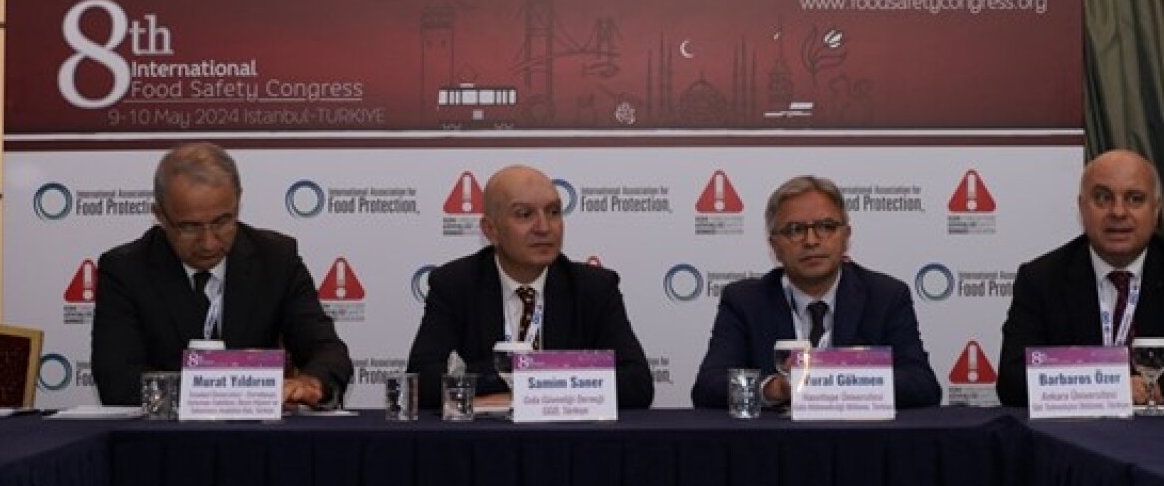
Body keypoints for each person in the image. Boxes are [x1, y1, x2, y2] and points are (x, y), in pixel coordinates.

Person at [91, 142, 352, 407]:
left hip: (257, 431)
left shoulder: (276, 259)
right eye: (190, 227)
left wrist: (312, 383)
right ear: (160, 215)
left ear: (237, 203)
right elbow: (118, 382)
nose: (209, 243)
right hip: (166, 432)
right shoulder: (125, 271)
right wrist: (232, 393)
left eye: (221, 222)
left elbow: (327, 351)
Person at [996, 149, 1164, 407]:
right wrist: (1111, 388)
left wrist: (1149, 389)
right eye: (1102, 198)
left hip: (1162, 430)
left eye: (1134, 199)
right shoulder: (1041, 279)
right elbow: (1012, 380)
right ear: (1081, 208)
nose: (1118, 212)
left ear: (1156, 210)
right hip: (1075, 431)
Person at [406, 164, 655, 409]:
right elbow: (421, 383)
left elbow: (637, 384)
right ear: (491, 230)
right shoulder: (455, 284)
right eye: (524, 214)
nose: (544, 228)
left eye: (553, 212)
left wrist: (531, 384)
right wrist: (517, 372)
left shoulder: (594, 288)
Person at [691, 175, 942, 409]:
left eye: (826, 226)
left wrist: (836, 379)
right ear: (775, 247)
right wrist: (774, 389)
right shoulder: (745, 301)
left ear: (845, 237)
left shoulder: (886, 296)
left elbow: (923, 386)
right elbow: (708, 388)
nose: (811, 241)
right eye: (795, 230)